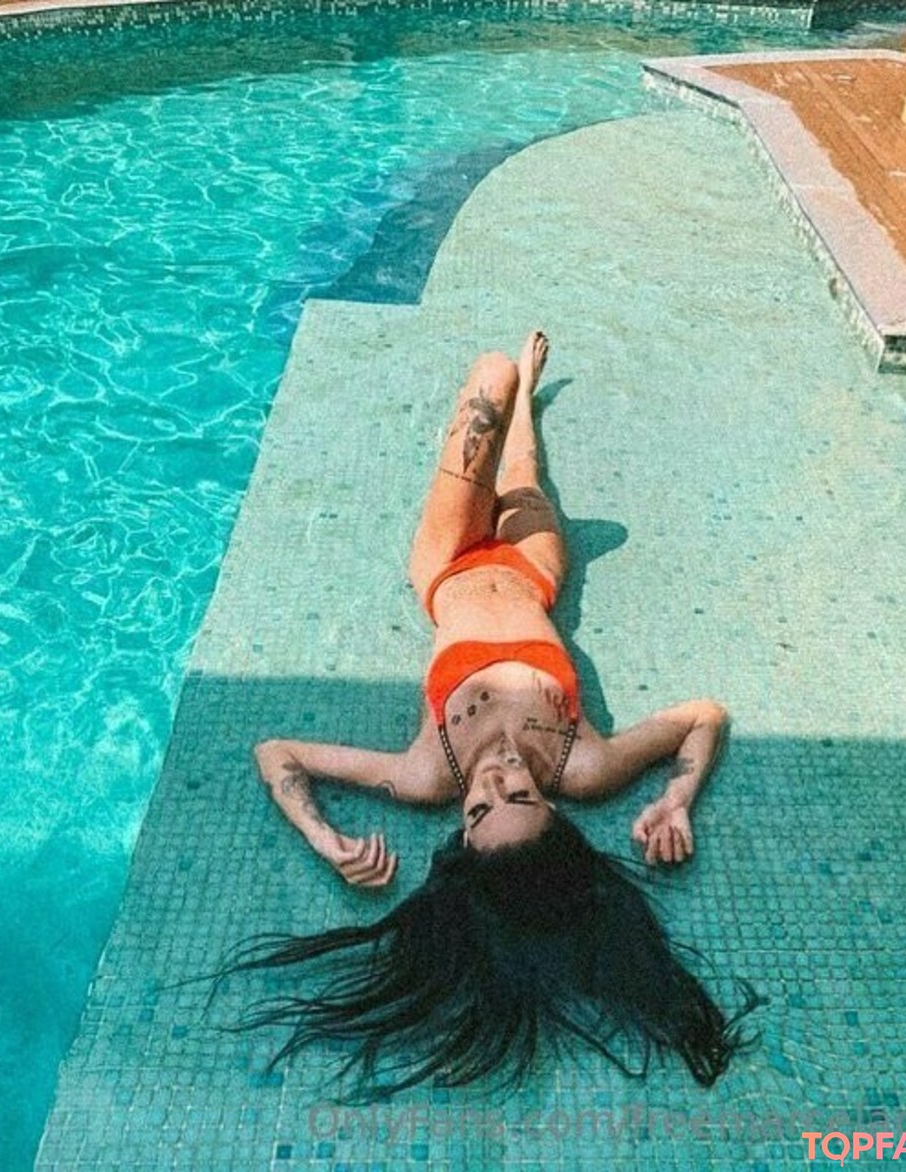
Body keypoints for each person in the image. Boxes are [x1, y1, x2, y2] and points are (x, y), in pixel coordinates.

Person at [230, 332, 756, 1099]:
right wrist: (677, 800)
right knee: (524, 467)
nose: (500, 775)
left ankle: (516, 388)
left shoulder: (425, 773)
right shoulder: (586, 765)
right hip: (533, 571)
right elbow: (705, 714)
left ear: (460, 831)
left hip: (448, 560)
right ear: (555, 807)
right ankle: (529, 402)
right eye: (522, 795)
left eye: (481, 807)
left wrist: (323, 837)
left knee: (491, 375)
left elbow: (276, 752)